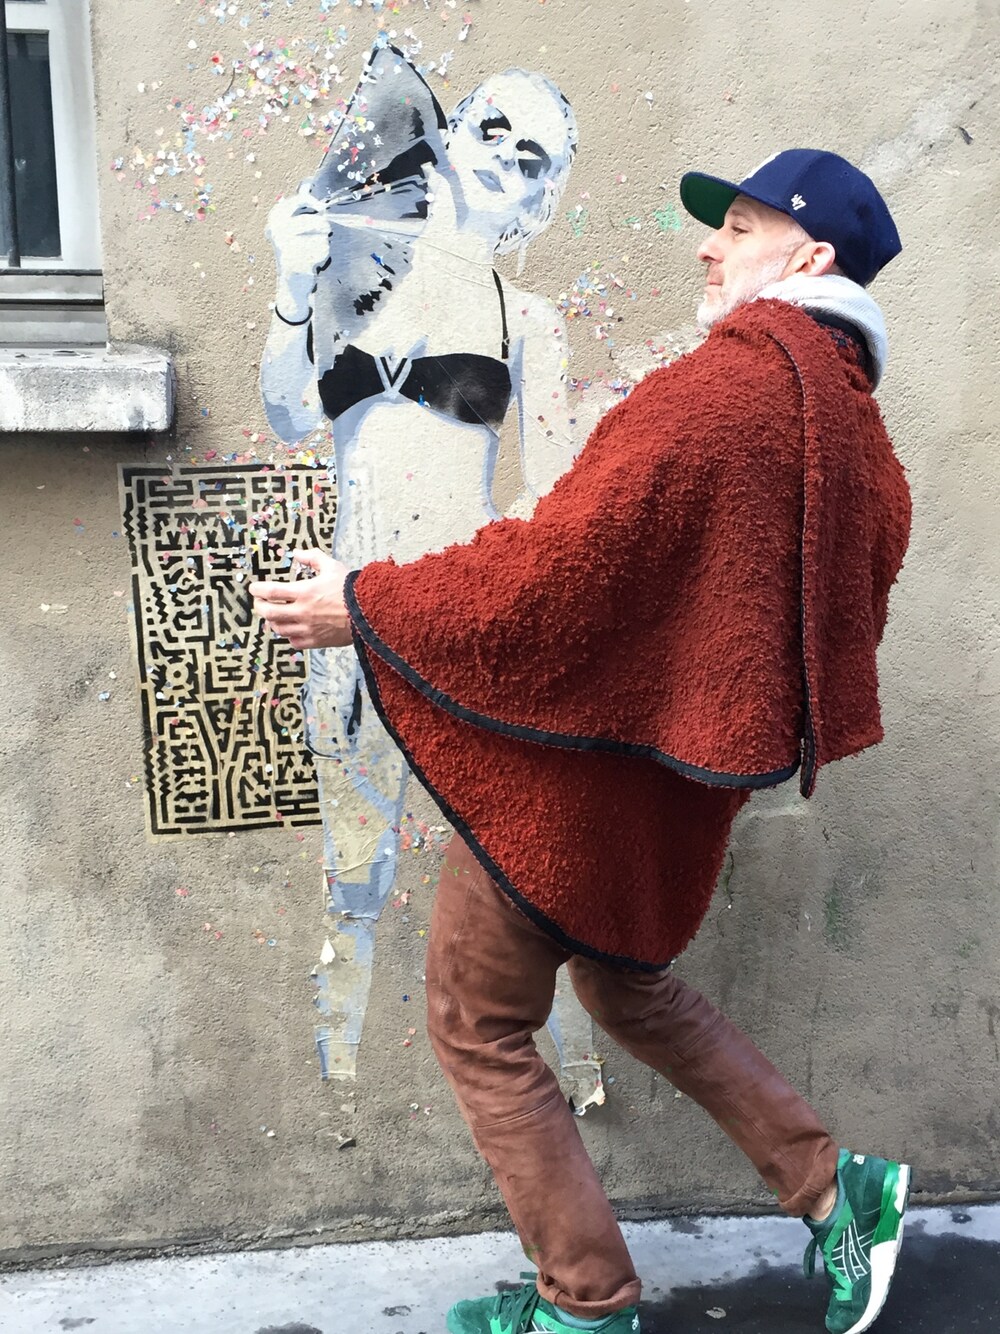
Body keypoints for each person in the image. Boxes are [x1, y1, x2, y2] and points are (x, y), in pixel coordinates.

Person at [250, 148, 913, 1334]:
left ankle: (584, 1299)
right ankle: (834, 1187)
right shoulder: (850, 425)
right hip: (676, 779)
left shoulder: (724, 389)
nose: (708, 245)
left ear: (808, 257)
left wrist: (365, 603)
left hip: (580, 774)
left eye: (740, 228)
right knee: (621, 981)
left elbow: (560, 567)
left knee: (476, 1018)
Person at [260, 48, 602, 1094]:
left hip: (466, 625)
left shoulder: (526, 322)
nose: (505, 158)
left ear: (544, 199)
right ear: (450, 141)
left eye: (532, 156)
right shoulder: (355, 279)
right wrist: (291, 280)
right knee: (353, 871)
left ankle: (583, 1072)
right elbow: (289, 413)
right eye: (492, 130)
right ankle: (341, 1093)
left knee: (522, 871)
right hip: (348, 618)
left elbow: (554, 502)